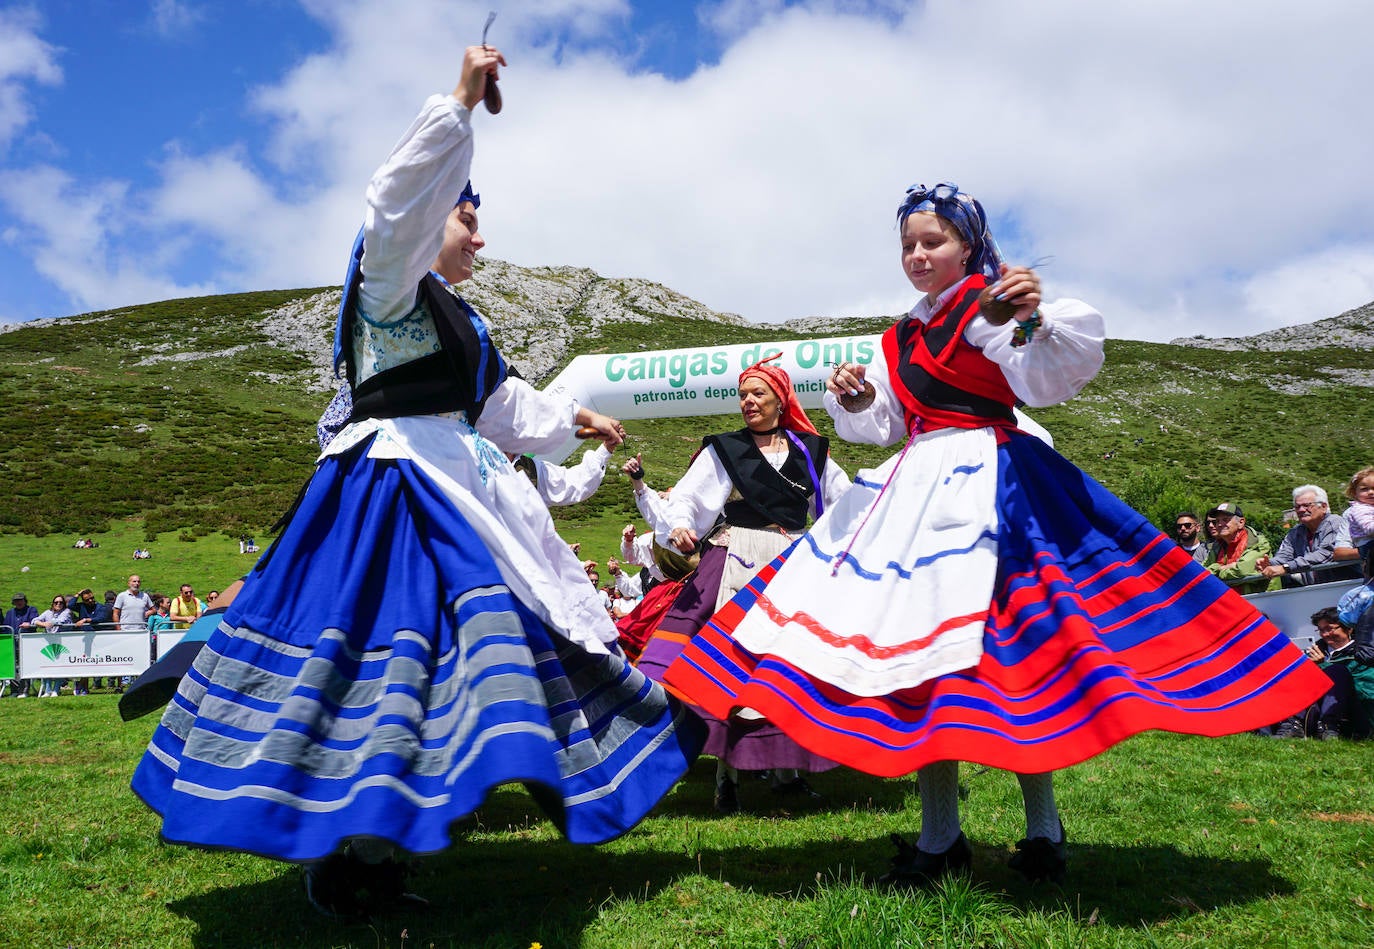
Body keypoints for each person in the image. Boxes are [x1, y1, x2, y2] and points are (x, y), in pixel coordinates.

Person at [130, 46, 701, 921]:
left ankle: (384, 843)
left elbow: (503, 404)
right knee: (381, 662)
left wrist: (572, 422)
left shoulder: (458, 318)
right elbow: (393, 206)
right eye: (467, 217)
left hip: (454, 496)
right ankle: (353, 854)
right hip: (389, 503)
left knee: (447, 671)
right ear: (433, 218)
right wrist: (460, 107)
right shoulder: (389, 287)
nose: (479, 233)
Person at [663, 182, 1329, 887]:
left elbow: (1040, 377)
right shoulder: (901, 335)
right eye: (908, 245)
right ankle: (939, 836)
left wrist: (1030, 317)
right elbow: (888, 425)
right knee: (918, 660)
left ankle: (1042, 829)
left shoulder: (988, 304)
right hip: (915, 491)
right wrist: (859, 400)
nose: (918, 255)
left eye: (933, 241)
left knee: (1017, 658)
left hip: (994, 486)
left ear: (968, 245)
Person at [638, 356, 851, 812]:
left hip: (793, 560)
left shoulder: (812, 450)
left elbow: (841, 503)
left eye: (757, 394)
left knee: (785, 663)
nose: (748, 402)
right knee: (730, 665)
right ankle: (726, 777)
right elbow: (689, 496)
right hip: (737, 558)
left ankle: (786, 773)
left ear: (781, 399)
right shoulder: (726, 449)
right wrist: (679, 524)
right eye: (743, 395)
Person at [1269, 608, 1373, 739]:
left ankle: (1328, 727)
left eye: (1330, 628)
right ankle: (1293, 725)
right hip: (1313, 710)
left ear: (1349, 629)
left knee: (1337, 671)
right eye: (1321, 630)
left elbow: (1363, 687)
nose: (1325, 634)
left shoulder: (1363, 654)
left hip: (1349, 711)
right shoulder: (1315, 650)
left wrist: (1323, 665)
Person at [1258, 485, 1360, 586]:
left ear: (1323, 507)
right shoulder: (1295, 532)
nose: (1301, 510)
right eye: (1297, 507)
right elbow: (1284, 555)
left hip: (1343, 587)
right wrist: (1270, 563)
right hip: (1313, 591)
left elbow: (1325, 554)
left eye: (1307, 505)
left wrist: (1286, 567)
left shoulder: (1335, 524)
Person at [1203, 503, 1276, 594]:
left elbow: (1242, 571)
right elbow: (1202, 573)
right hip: (1229, 600)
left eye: (1225, 520)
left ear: (1241, 522)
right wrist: (1219, 567)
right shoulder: (1217, 546)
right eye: (1217, 521)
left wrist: (1216, 573)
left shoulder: (1257, 542)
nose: (1220, 524)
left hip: (1261, 600)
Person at [33, 595, 74, 697]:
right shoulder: (48, 613)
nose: (58, 604)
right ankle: (47, 690)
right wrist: (43, 624)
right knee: (47, 666)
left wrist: (49, 623)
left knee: (59, 667)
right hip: (49, 644)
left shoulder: (66, 612)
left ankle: (56, 689)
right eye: (56, 602)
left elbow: (61, 621)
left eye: (61, 602)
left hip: (62, 643)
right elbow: (35, 620)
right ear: (53, 603)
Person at [4, 594, 39, 698]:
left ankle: (24, 690)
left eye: (21, 600)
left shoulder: (31, 610)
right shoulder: (10, 612)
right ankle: (14, 690)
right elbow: (6, 627)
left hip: (26, 643)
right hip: (12, 643)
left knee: (25, 667)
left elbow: (34, 622)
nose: (19, 602)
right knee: (13, 667)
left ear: (25, 601)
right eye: (16, 601)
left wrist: (29, 624)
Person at [1343, 466, 1374, 558]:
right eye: (1364, 489)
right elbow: (1369, 528)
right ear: (1354, 493)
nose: (1371, 492)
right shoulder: (1360, 509)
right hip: (1368, 545)